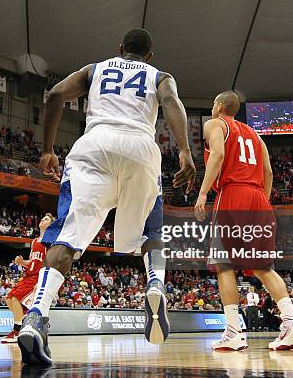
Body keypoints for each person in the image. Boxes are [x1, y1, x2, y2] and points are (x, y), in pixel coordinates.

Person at [18, 28, 196, 365]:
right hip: (140, 149)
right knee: (151, 234)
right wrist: (185, 151)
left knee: (67, 238)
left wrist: (46, 150)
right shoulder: (160, 76)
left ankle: (36, 314)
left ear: (120, 49)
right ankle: (155, 285)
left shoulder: (94, 69)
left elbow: (55, 94)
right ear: (149, 55)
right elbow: (172, 101)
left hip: (94, 146)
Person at [194, 91, 293, 351]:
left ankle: (233, 332)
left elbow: (219, 156)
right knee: (262, 267)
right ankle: (291, 320)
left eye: (213, 102)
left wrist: (202, 192)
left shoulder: (215, 124)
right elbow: (268, 171)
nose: (212, 107)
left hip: (233, 193)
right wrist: (262, 203)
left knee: (224, 266)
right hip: (259, 197)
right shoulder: (256, 136)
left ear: (220, 105)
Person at [2, 213, 54, 343]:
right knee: (9, 299)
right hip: (29, 275)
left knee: (16, 298)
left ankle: (17, 331)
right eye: (42, 218)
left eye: (46, 219)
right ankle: (26, 322)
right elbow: (32, 262)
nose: (42, 219)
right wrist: (22, 262)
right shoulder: (34, 241)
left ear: (51, 225)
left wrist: (44, 281)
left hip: (38, 276)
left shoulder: (51, 241)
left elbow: (51, 262)